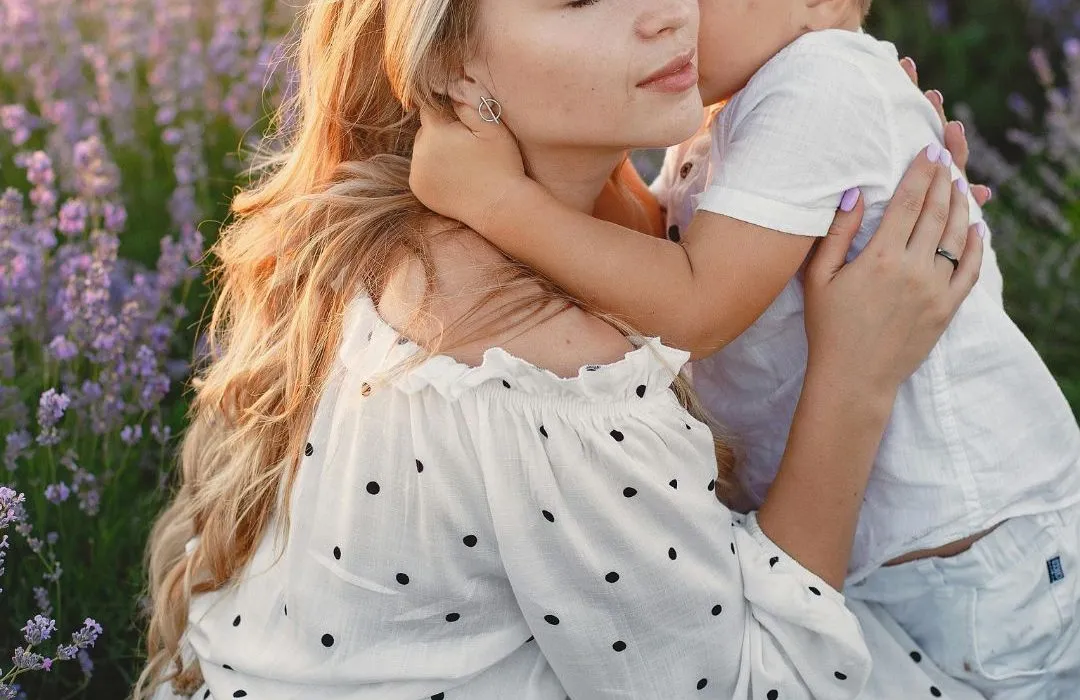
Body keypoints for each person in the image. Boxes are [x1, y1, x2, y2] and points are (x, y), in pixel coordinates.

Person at [134, 0, 987, 698]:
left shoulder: (421, 219)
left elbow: (671, 278)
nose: (663, 13)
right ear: (452, 66)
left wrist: (839, 181)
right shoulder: (531, 362)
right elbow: (758, 687)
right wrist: (858, 373)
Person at [408, 0, 1080, 696]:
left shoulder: (821, 84)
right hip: (881, 550)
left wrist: (499, 201)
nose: (669, 11)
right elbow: (652, 244)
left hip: (978, 564)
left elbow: (694, 304)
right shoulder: (729, 114)